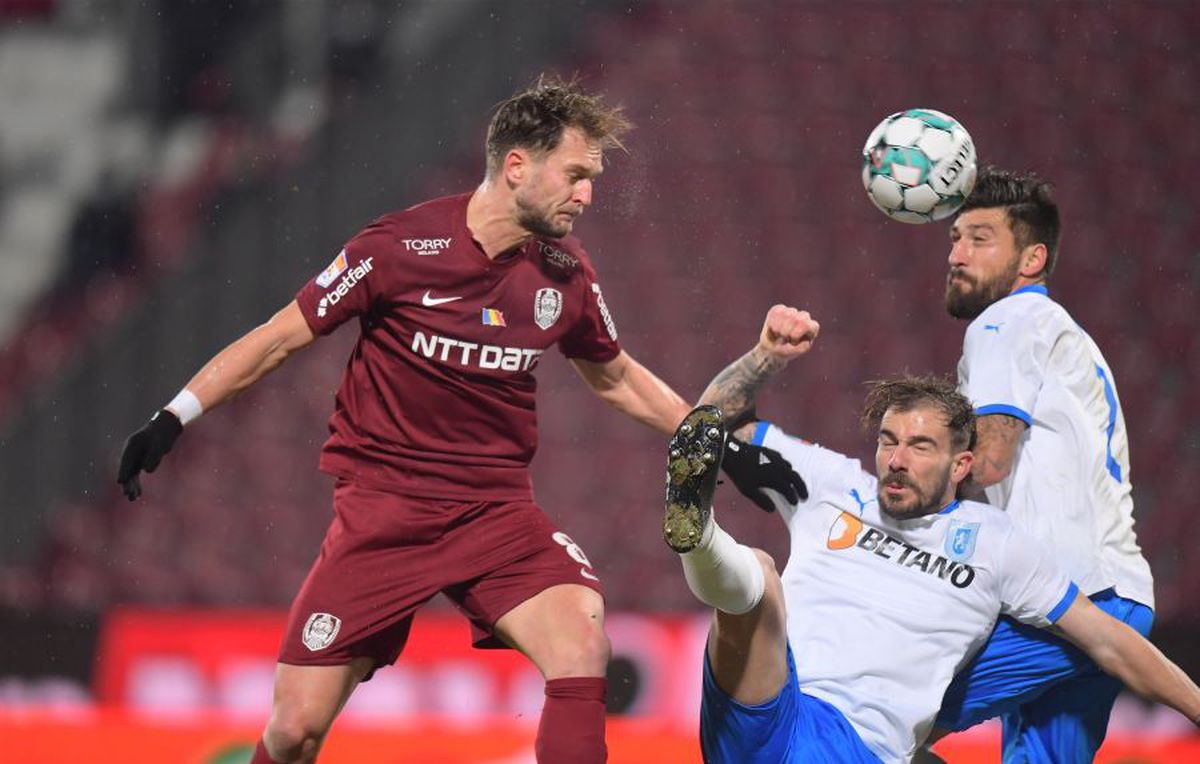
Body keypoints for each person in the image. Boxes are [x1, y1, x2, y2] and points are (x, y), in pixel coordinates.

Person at [115, 75, 788, 764]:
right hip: (384, 518)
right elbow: (278, 337)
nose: (587, 193)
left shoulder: (564, 275)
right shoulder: (396, 249)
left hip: (495, 514)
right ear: (517, 165)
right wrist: (175, 416)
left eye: (593, 178)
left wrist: (717, 443)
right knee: (292, 734)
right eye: (576, 173)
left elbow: (614, 375)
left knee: (582, 638)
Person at [663, 304, 1200, 763]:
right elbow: (711, 425)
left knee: (756, 577)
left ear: (962, 463)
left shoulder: (996, 543)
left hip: (858, 745)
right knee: (758, 576)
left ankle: (705, 540)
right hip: (767, 704)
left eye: (920, 447)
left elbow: (1108, 639)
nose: (895, 460)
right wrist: (767, 356)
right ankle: (699, 532)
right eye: (887, 441)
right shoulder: (832, 484)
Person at [929, 167, 1156, 761]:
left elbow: (991, 459)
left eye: (980, 238)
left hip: (1068, 602)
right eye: (955, 238)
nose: (957, 254)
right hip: (1115, 596)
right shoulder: (1060, 331)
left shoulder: (1008, 321)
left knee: (882, 709)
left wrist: (899, 504)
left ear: (1031, 258)